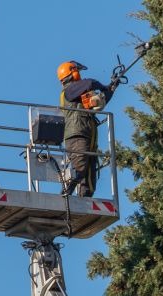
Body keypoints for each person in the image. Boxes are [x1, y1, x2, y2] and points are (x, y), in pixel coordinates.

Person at [57, 60, 117, 197]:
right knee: (80, 168)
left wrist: (111, 88)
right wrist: (103, 86)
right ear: (72, 73)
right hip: (77, 136)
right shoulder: (69, 91)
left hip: (88, 138)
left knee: (89, 179)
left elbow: (99, 102)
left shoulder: (78, 94)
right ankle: (66, 192)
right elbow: (90, 83)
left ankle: (84, 200)